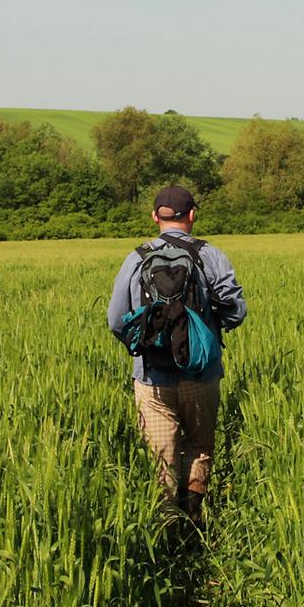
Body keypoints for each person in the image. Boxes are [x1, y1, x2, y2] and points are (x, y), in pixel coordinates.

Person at [107, 185, 246, 523]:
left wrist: (142, 347)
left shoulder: (136, 257)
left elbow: (115, 318)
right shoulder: (210, 255)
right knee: (199, 444)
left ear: (155, 217)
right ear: (193, 215)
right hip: (201, 372)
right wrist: (209, 329)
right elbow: (236, 312)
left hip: (152, 376)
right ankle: (193, 514)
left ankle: (167, 529)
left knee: (162, 455)